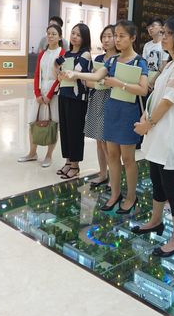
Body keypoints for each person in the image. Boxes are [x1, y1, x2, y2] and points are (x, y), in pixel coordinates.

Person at [61, 20, 148, 214]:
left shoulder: (139, 61)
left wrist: (119, 84)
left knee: (128, 158)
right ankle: (115, 194)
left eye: (121, 36)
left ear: (133, 38)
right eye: (116, 35)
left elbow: (143, 90)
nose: (117, 39)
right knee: (113, 155)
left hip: (128, 114)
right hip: (111, 111)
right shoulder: (112, 60)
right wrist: (75, 74)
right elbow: (96, 76)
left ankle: (131, 196)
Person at [132, 16, 174, 257]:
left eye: (168, 33)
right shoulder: (171, 63)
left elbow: (169, 100)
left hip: (169, 133)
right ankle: (155, 220)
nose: (163, 37)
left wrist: (148, 124)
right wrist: (147, 118)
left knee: (171, 186)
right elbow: (157, 96)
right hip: (158, 131)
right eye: (163, 33)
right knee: (157, 180)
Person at [18, 24, 65, 167]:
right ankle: (32, 153)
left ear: (60, 37)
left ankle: (49, 156)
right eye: (48, 33)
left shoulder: (62, 54)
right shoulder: (42, 54)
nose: (50, 36)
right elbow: (37, 74)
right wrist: (37, 93)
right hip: (40, 90)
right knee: (33, 122)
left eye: (54, 34)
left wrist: (50, 95)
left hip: (54, 93)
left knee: (53, 124)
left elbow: (60, 76)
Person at [56, 23, 92, 180]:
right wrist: (60, 73)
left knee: (75, 131)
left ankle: (75, 165)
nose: (74, 37)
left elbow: (75, 72)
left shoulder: (85, 54)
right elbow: (59, 71)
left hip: (77, 98)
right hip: (63, 94)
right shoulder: (67, 53)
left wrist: (64, 73)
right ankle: (68, 161)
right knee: (65, 130)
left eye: (78, 35)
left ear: (84, 38)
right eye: (73, 33)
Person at [84, 25, 118, 188]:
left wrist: (102, 82)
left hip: (112, 101)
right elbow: (89, 81)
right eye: (104, 36)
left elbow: (118, 84)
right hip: (97, 99)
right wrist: (101, 82)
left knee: (107, 143)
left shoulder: (120, 59)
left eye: (110, 36)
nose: (106, 40)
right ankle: (103, 174)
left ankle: (113, 177)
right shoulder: (98, 59)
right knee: (99, 140)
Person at [142, 17, 168, 84]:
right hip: (147, 78)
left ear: (161, 28)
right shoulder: (147, 45)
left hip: (160, 79)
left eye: (153, 26)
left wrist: (153, 81)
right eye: (148, 27)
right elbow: (143, 63)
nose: (150, 28)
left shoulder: (165, 44)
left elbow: (164, 65)